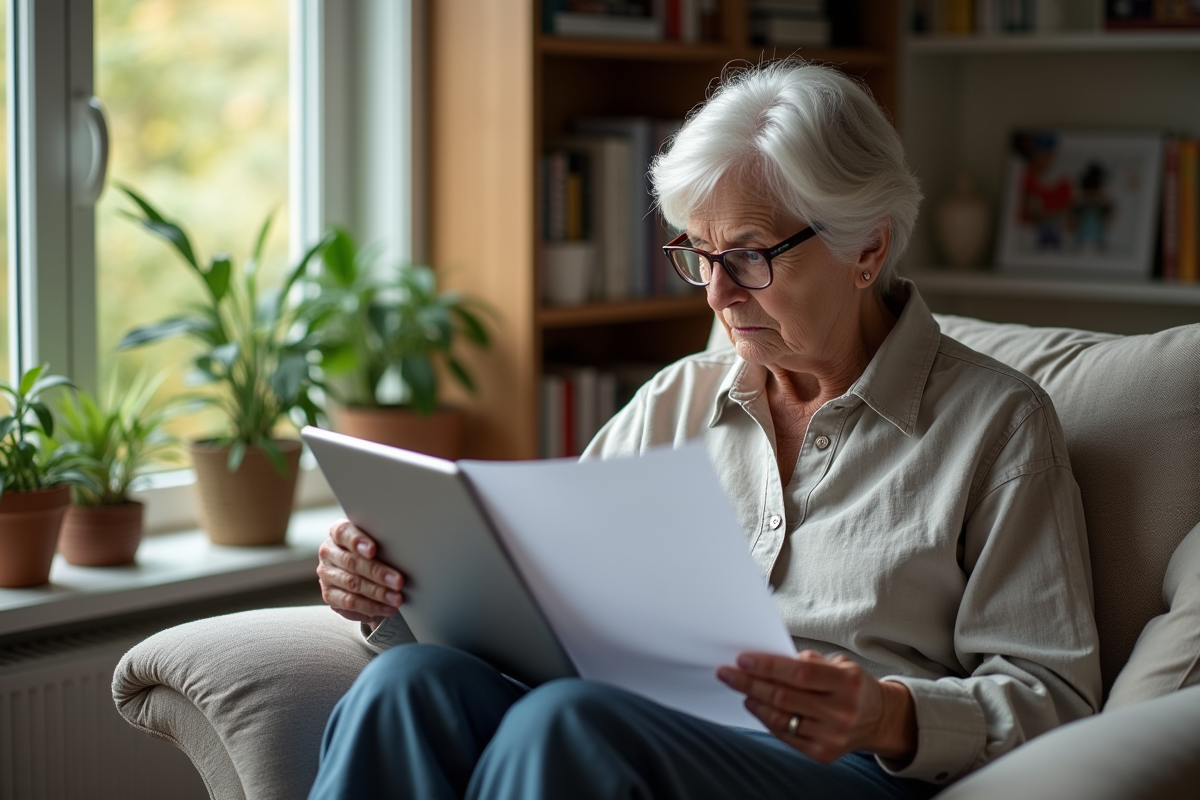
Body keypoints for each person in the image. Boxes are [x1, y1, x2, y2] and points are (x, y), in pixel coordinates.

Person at [309, 60, 1102, 800]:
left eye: (751, 257)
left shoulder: (998, 425)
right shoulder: (674, 401)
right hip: (638, 720)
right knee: (404, 685)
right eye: (700, 254)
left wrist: (886, 713)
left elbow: (1056, 697)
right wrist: (388, 586)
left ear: (867, 247)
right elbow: (538, 595)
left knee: (570, 724)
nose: (718, 296)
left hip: (839, 766)